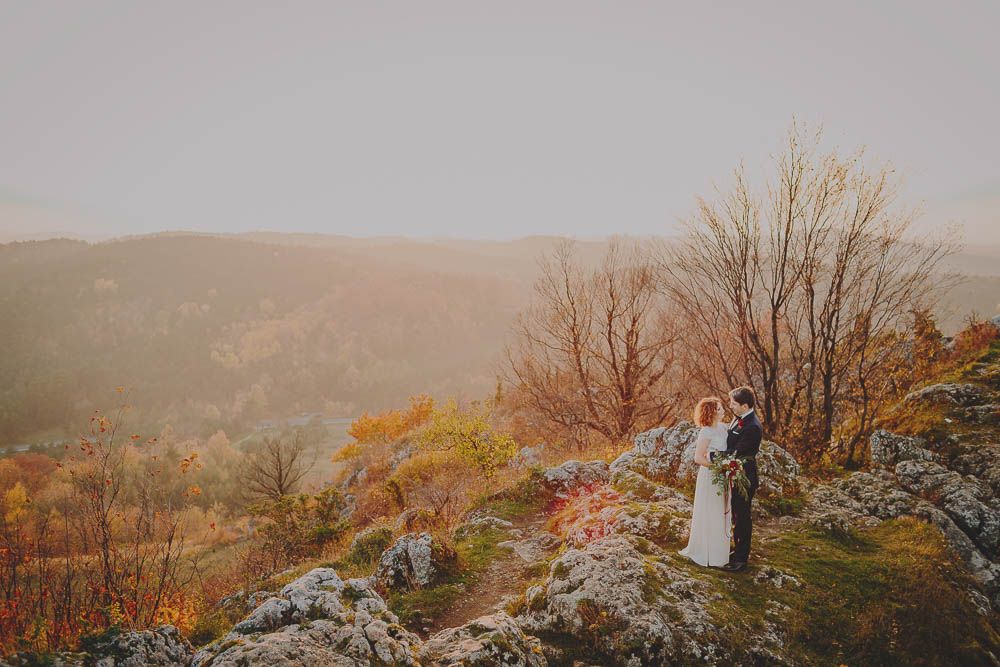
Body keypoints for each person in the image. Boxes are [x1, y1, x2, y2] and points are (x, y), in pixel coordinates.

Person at [712, 386, 762, 573]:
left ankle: (741, 560)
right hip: (735, 475)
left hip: (745, 479)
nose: (730, 406)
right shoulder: (740, 418)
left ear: (745, 405)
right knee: (735, 516)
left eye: (734, 403)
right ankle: (736, 551)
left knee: (742, 518)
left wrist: (711, 455)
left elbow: (736, 452)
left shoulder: (752, 427)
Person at [678, 397, 731, 567]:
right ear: (711, 412)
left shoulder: (724, 427)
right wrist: (719, 467)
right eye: (719, 408)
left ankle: (720, 551)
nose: (723, 410)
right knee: (711, 510)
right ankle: (707, 552)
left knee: (721, 511)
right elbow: (698, 458)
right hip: (710, 476)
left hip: (723, 475)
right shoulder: (706, 431)